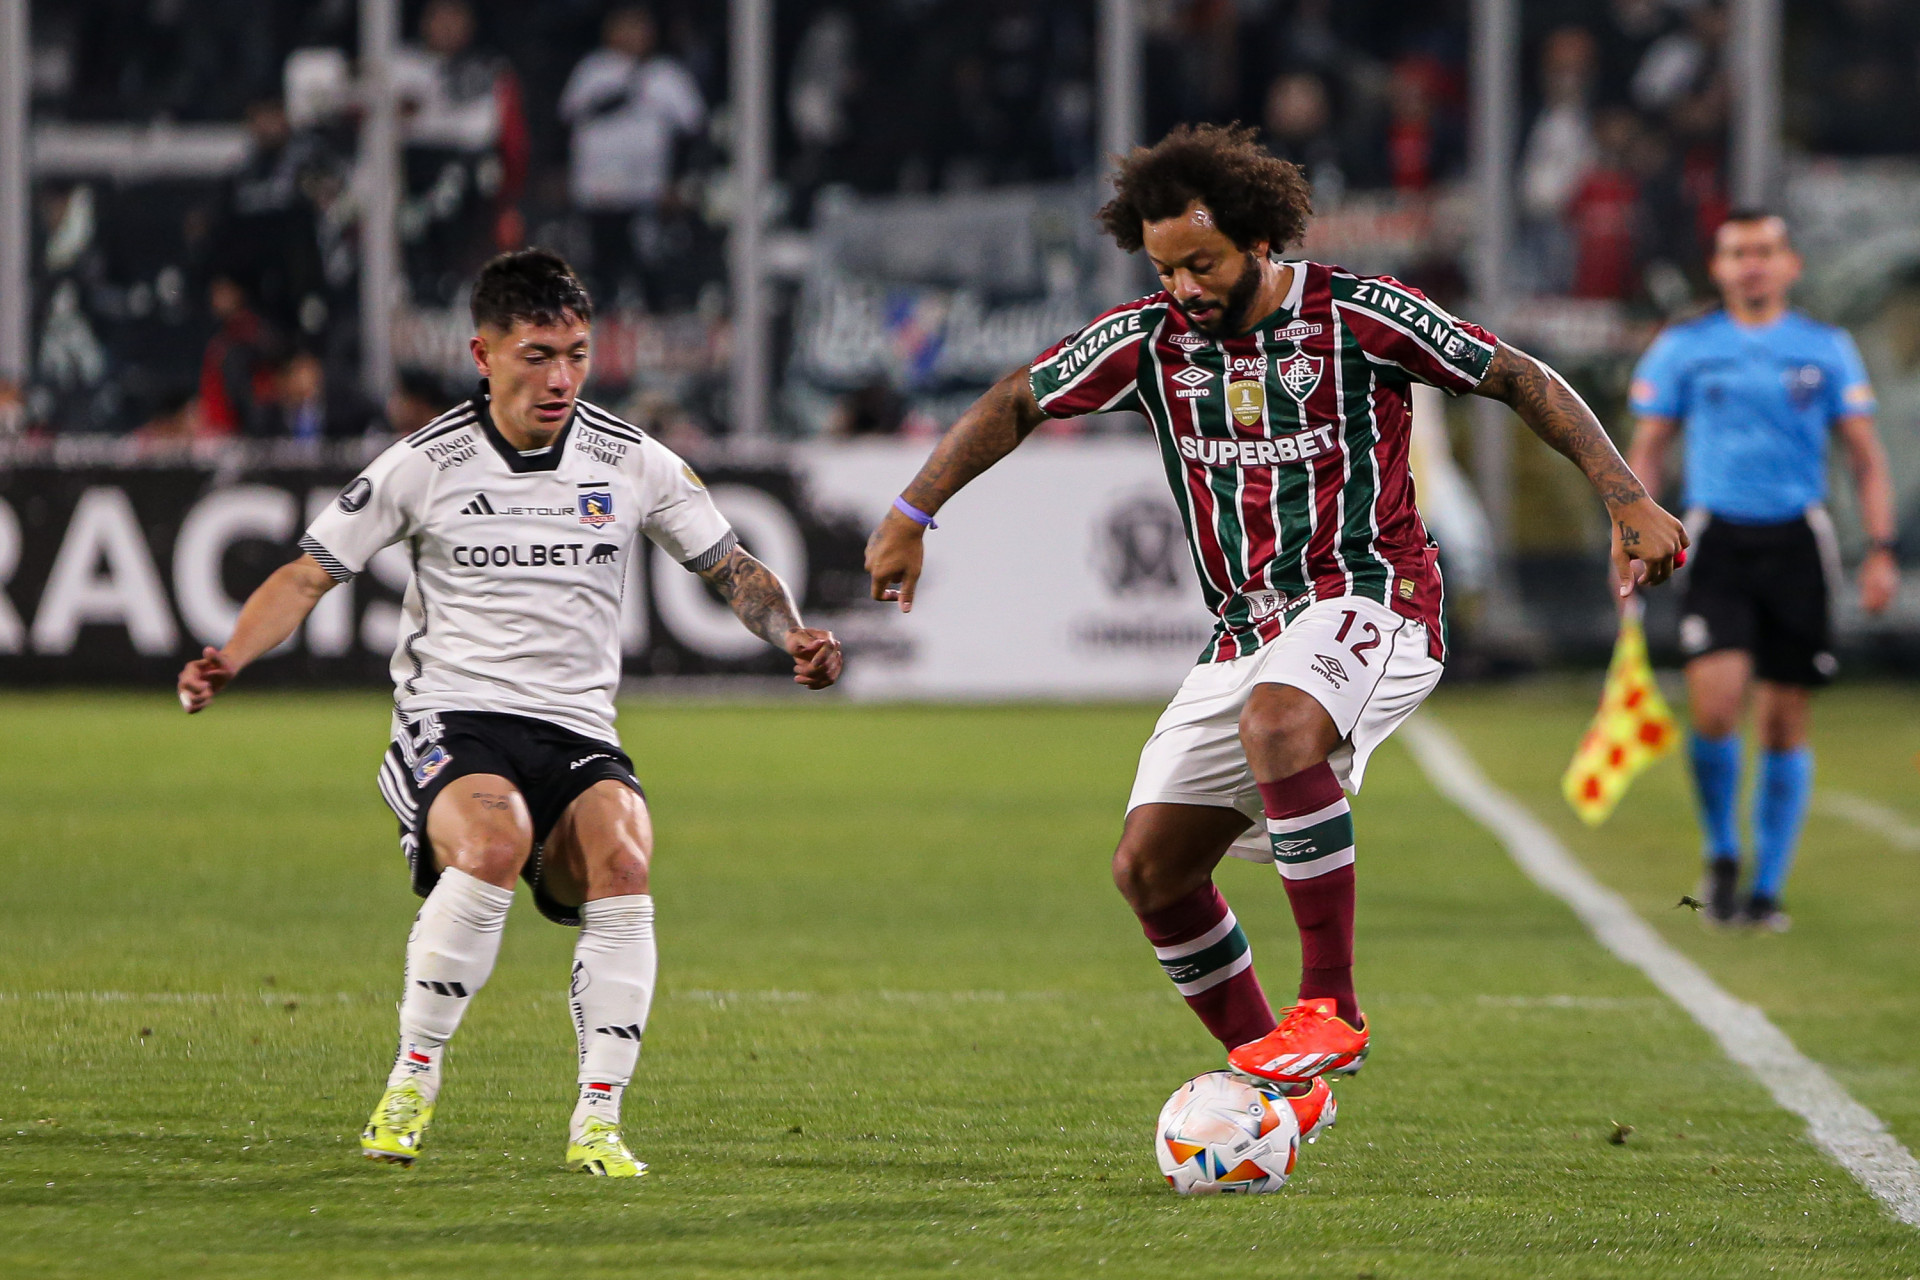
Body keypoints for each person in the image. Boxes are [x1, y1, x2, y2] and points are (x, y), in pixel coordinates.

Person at [866, 124, 1685, 1108]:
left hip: (1373, 593)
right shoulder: (1150, 341)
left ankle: (1329, 1004)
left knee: (1281, 724)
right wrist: (914, 511)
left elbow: (1515, 374)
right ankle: (1286, 1087)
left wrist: (1626, 497)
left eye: (1201, 264)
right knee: (1150, 870)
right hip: (1244, 630)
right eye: (1165, 268)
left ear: (1259, 242)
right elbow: (1016, 399)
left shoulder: (1358, 314)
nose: (1183, 288)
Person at [178, 250, 843, 1176]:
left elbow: (729, 567)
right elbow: (308, 572)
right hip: (453, 719)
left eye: (575, 353)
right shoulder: (425, 463)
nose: (561, 377)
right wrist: (230, 656)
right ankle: (411, 1082)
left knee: (624, 858)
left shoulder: (631, 459)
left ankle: (599, 1123)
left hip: (576, 730)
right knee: (492, 846)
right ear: (482, 354)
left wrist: (794, 635)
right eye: (536, 355)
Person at [1627, 210, 1896, 931]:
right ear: (1717, 267)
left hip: (1799, 544)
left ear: (1790, 265)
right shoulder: (1686, 347)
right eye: (1739, 252)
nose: (1753, 264)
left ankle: (1767, 887)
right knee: (1714, 706)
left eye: (1766, 251)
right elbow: (1648, 447)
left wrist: (1880, 549)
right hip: (1715, 540)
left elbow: (1865, 457)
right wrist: (1630, 529)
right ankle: (1721, 852)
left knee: (1783, 722)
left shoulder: (1826, 348)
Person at [558, 5, 705, 308]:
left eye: (639, 26)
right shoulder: (591, 71)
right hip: (596, 195)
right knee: (596, 273)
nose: (632, 34)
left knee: (648, 270)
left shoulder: (667, 75)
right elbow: (565, 124)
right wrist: (561, 174)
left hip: (646, 195)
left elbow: (694, 133)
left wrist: (680, 183)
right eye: (623, 25)